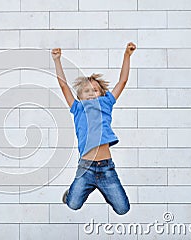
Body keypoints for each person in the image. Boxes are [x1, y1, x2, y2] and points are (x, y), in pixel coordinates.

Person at [51, 42, 136, 215]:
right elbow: (63, 86)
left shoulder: (106, 103)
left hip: (106, 168)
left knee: (123, 209)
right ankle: (72, 194)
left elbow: (123, 81)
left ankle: (104, 189)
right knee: (73, 204)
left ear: (102, 93)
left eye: (95, 90)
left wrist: (127, 55)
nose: (91, 93)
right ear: (79, 96)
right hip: (86, 168)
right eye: (86, 90)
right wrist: (57, 60)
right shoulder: (78, 108)